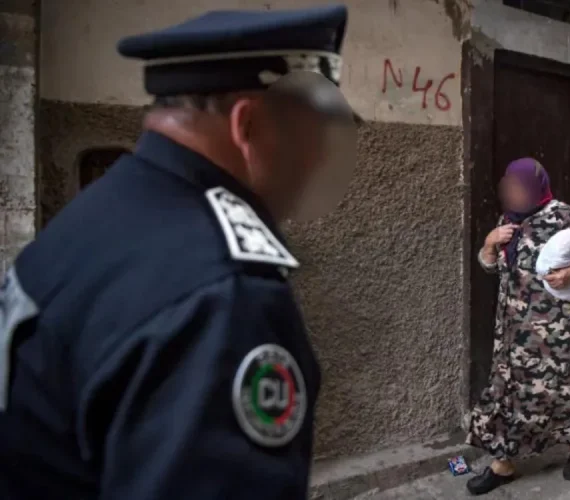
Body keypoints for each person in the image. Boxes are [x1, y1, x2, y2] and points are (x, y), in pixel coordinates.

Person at [0, 5, 358, 500]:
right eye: (311, 137)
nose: (318, 159)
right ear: (248, 125)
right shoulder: (223, 295)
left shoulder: (94, 216)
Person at [463, 157, 570, 496]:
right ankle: (504, 464)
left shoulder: (564, 216)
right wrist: (489, 244)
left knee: (565, 390)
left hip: (559, 332)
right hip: (514, 333)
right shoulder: (507, 221)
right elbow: (492, 267)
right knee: (509, 395)